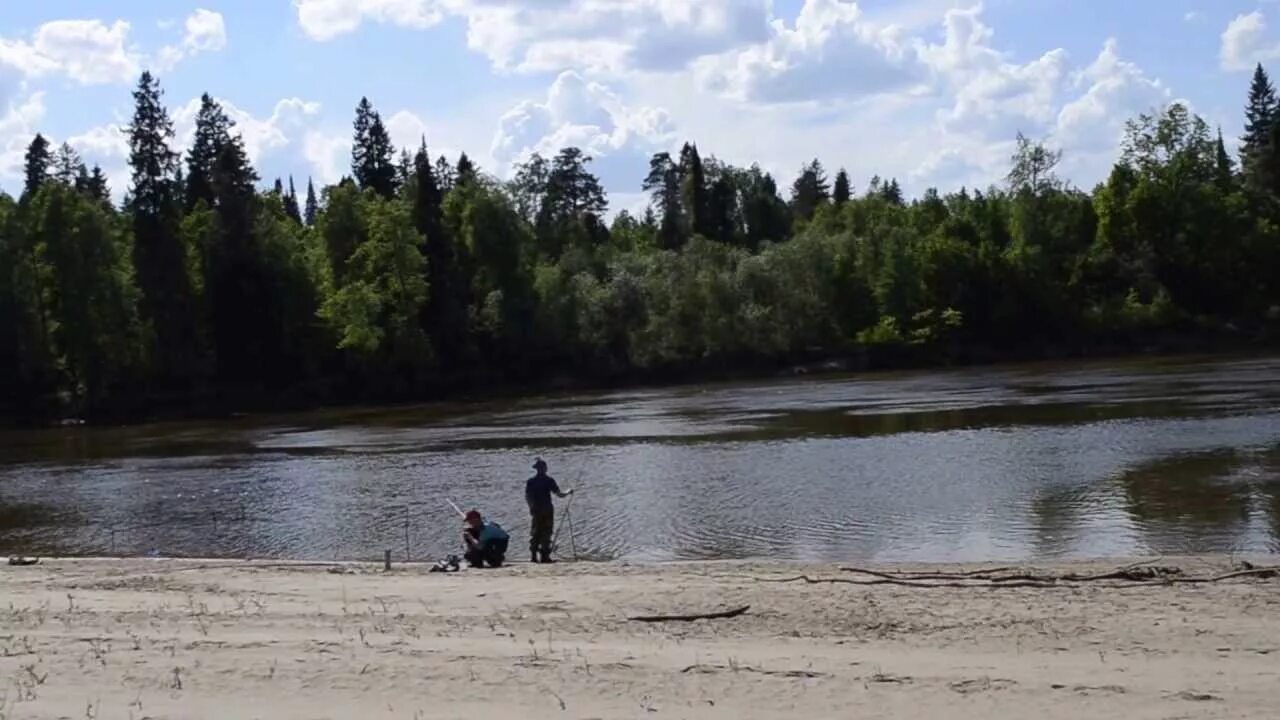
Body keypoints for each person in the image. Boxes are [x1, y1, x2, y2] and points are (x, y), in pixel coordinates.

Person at [526, 458, 572, 564]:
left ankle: (533, 556)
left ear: (536, 469)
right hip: (547, 509)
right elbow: (560, 495)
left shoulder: (530, 482)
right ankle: (544, 557)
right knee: (547, 532)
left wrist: (531, 507)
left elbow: (528, 497)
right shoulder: (549, 480)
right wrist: (569, 492)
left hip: (536, 510)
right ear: (545, 468)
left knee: (535, 532)